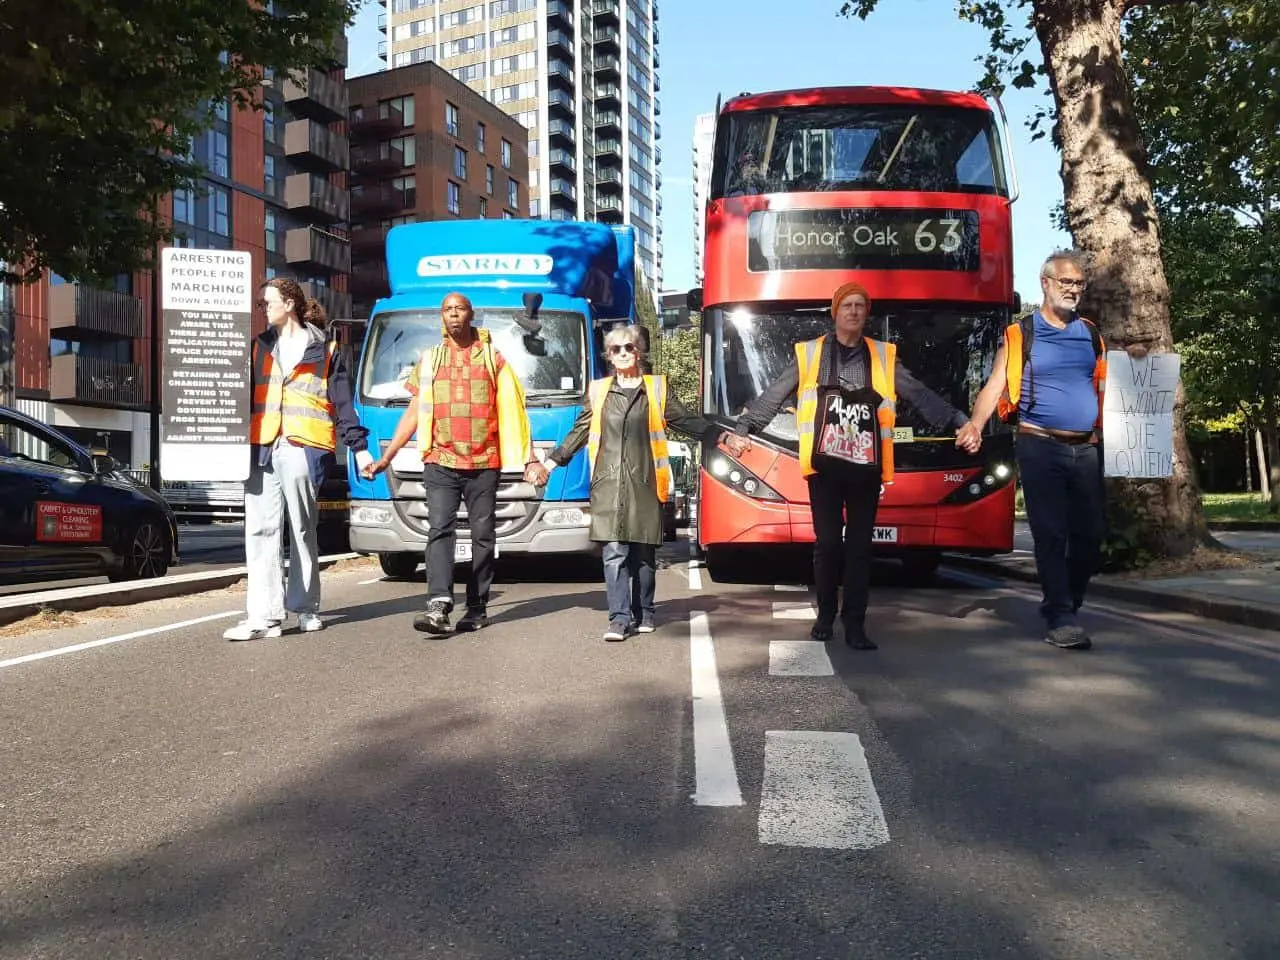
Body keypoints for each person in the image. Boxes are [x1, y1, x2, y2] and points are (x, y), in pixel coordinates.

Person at [733, 282, 981, 649]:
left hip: (866, 468)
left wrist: (960, 421)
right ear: (835, 313)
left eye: (860, 306)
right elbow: (774, 395)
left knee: (860, 548)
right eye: (847, 305)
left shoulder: (881, 356)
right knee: (829, 544)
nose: (854, 311)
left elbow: (919, 395)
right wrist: (744, 428)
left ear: (866, 314)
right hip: (824, 467)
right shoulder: (810, 355)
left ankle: (855, 625)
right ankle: (825, 616)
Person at [958, 250, 1147, 651]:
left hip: (1086, 449)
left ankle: (1068, 602)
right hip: (1039, 445)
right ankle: (1060, 614)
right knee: (1049, 532)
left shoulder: (1091, 334)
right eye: (1067, 283)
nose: (1074, 290)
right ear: (1045, 283)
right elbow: (994, 386)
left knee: (1091, 535)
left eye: (1079, 284)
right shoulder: (1020, 334)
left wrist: (1132, 362)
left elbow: (1109, 381)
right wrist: (975, 424)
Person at [524, 324, 733, 641]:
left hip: (645, 481)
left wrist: (722, 437)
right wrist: (549, 464)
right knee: (614, 552)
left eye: (629, 348)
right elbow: (578, 434)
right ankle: (619, 619)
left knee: (643, 556)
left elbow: (689, 422)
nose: (623, 353)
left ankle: (645, 611)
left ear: (639, 351)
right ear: (609, 356)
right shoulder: (598, 392)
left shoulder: (656, 390)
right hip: (608, 482)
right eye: (616, 349)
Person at [363, 292, 534, 635]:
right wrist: (387, 456)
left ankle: (477, 606)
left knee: (483, 535)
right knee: (439, 529)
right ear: (442, 317)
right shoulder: (430, 360)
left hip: (484, 461)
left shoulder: (492, 358)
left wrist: (529, 458)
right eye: (448, 310)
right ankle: (438, 604)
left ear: (471, 315)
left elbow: (515, 410)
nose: (454, 314)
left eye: (460, 309)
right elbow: (414, 411)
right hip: (440, 460)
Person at [224, 278, 373, 642]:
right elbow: (237, 398)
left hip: (304, 445)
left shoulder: (325, 348)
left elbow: (342, 404)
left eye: (267, 303)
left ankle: (307, 609)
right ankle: (264, 617)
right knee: (260, 532)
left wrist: (359, 447)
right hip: (261, 446)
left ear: (289, 304)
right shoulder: (259, 348)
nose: (263, 309)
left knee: (303, 529)